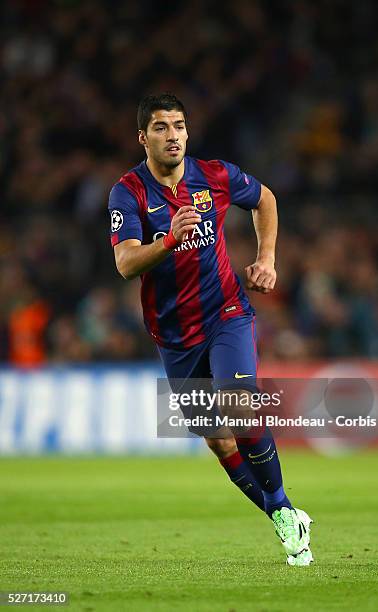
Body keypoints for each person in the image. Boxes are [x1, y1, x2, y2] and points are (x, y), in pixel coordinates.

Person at [108, 93, 313, 566]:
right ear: (143, 138)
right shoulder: (128, 192)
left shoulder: (215, 175)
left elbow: (265, 200)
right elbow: (125, 263)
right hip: (174, 335)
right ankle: (284, 513)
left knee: (241, 412)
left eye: (178, 125)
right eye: (160, 127)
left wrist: (266, 258)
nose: (173, 135)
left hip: (227, 314)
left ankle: (282, 508)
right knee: (219, 441)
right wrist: (169, 240)